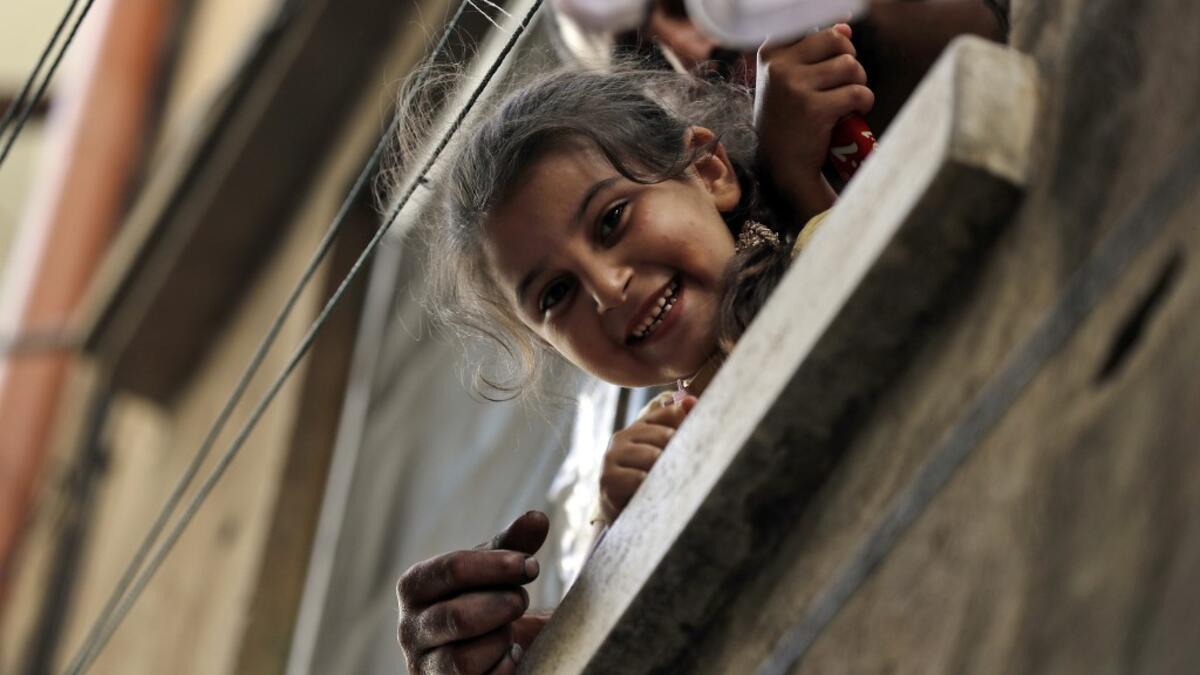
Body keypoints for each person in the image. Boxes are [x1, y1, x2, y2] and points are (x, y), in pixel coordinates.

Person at [393, 21, 868, 673]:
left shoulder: (832, 222)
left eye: (612, 220)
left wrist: (799, 187)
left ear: (708, 171)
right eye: (556, 294)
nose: (608, 290)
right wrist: (622, 532)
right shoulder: (640, 462)